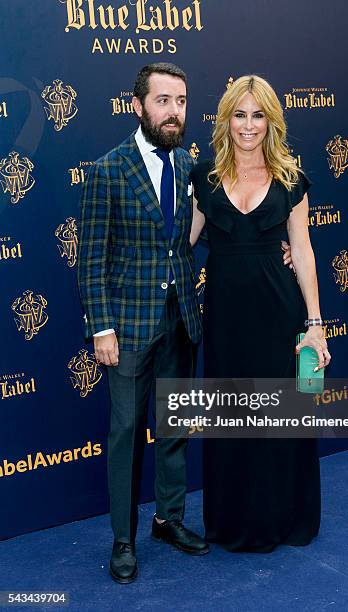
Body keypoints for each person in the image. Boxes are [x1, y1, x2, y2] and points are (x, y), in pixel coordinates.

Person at [77, 63, 211, 583]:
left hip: (182, 320)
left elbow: (202, 230)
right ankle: (122, 540)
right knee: (126, 432)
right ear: (138, 106)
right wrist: (102, 328)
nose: (174, 111)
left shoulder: (188, 166)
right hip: (128, 326)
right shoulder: (108, 170)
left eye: (180, 101)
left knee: (175, 427)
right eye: (163, 101)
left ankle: (169, 520)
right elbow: (90, 259)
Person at [189, 75, 331, 552]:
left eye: (258, 115)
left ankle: (284, 518)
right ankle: (232, 522)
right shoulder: (203, 179)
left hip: (278, 311)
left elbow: (304, 251)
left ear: (272, 121)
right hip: (227, 316)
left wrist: (315, 324)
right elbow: (180, 245)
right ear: (226, 119)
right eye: (239, 114)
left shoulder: (291, 180)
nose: (248, 125)